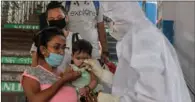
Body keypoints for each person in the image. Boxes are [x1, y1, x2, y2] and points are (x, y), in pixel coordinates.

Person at [84, 2, 192, 102]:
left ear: (123, 15)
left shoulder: (144, 39)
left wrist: (115, 100)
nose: (110, 26)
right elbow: (131, 85)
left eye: (110, 21)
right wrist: (103, 75)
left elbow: (152, 97)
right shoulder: (133, 38)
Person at [21, 27, 81, 102]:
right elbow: (34, 100)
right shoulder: (32, 73)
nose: (62, 52)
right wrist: (62, 81)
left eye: (63, 47)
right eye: (56, 47)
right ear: (43, 50)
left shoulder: (66, 73)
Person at [31, 1, 82, 74]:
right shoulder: (40, 38)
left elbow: (83, 64)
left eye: (59, 17)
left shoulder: (76, 38)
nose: (56, 21)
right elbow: (34, 65)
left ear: (66, 18)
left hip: (70, 83)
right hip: (47, 83)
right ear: (47, 21)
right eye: (52, 19)